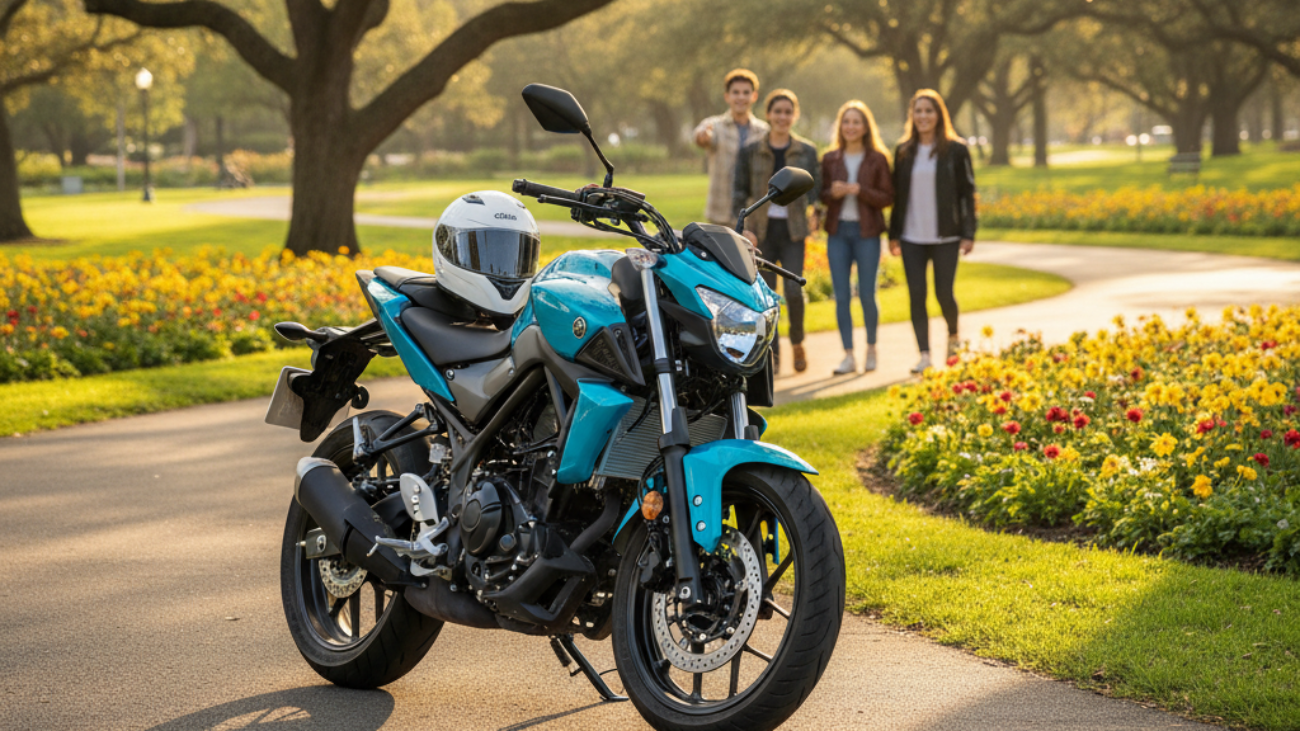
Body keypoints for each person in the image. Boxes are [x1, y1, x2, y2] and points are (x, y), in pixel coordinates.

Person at [887, 88, 977, 374]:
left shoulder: (956, 150)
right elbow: (898, 196)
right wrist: (893, 234)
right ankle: (924, 355)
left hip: (946, 236)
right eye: (918, 111)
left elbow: (967, 193)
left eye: (929, 111)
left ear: (939, 115)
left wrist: (968, 233)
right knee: (916, 295)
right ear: (911, 115)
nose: (923, 116)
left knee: (944, 293)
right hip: (911, 236)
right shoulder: (903, 151)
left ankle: (953, 337)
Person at [734, 89, 821, 374]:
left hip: (794, 231)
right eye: (778, 111)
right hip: (762, 231)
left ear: (795, 115)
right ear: (769, 114)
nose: (783, 117)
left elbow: (816, 190)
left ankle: (797, 342)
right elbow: (740, 192)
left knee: (794, 291)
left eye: (788, 112)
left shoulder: (806, 151)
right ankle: (773, 353)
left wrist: (816, 213)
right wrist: (744, 228)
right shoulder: (750, 151)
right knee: (766, 296)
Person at [819, 100, 894, 375]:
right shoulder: (830, 158)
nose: (850, 127)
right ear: (840, 126)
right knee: (841, 297)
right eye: (846, 122)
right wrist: (833, 193)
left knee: (867, 294)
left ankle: (871, 348)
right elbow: (821, 194)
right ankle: (848, 355)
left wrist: (859, 190)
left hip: (867, 233)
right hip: (838, 233)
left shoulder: (877, 159)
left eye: (856, 122)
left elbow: (887, 197)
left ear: (865, 127)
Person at [693, 69, 770, 226]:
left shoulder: (764, 131)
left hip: (752, 213)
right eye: (736, 92)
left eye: (746, 92)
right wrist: (703, 137)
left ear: (754, 96)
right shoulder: (714, 125)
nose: (741, 97)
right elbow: (701, 138)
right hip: (720, 212)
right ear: (727, 96)